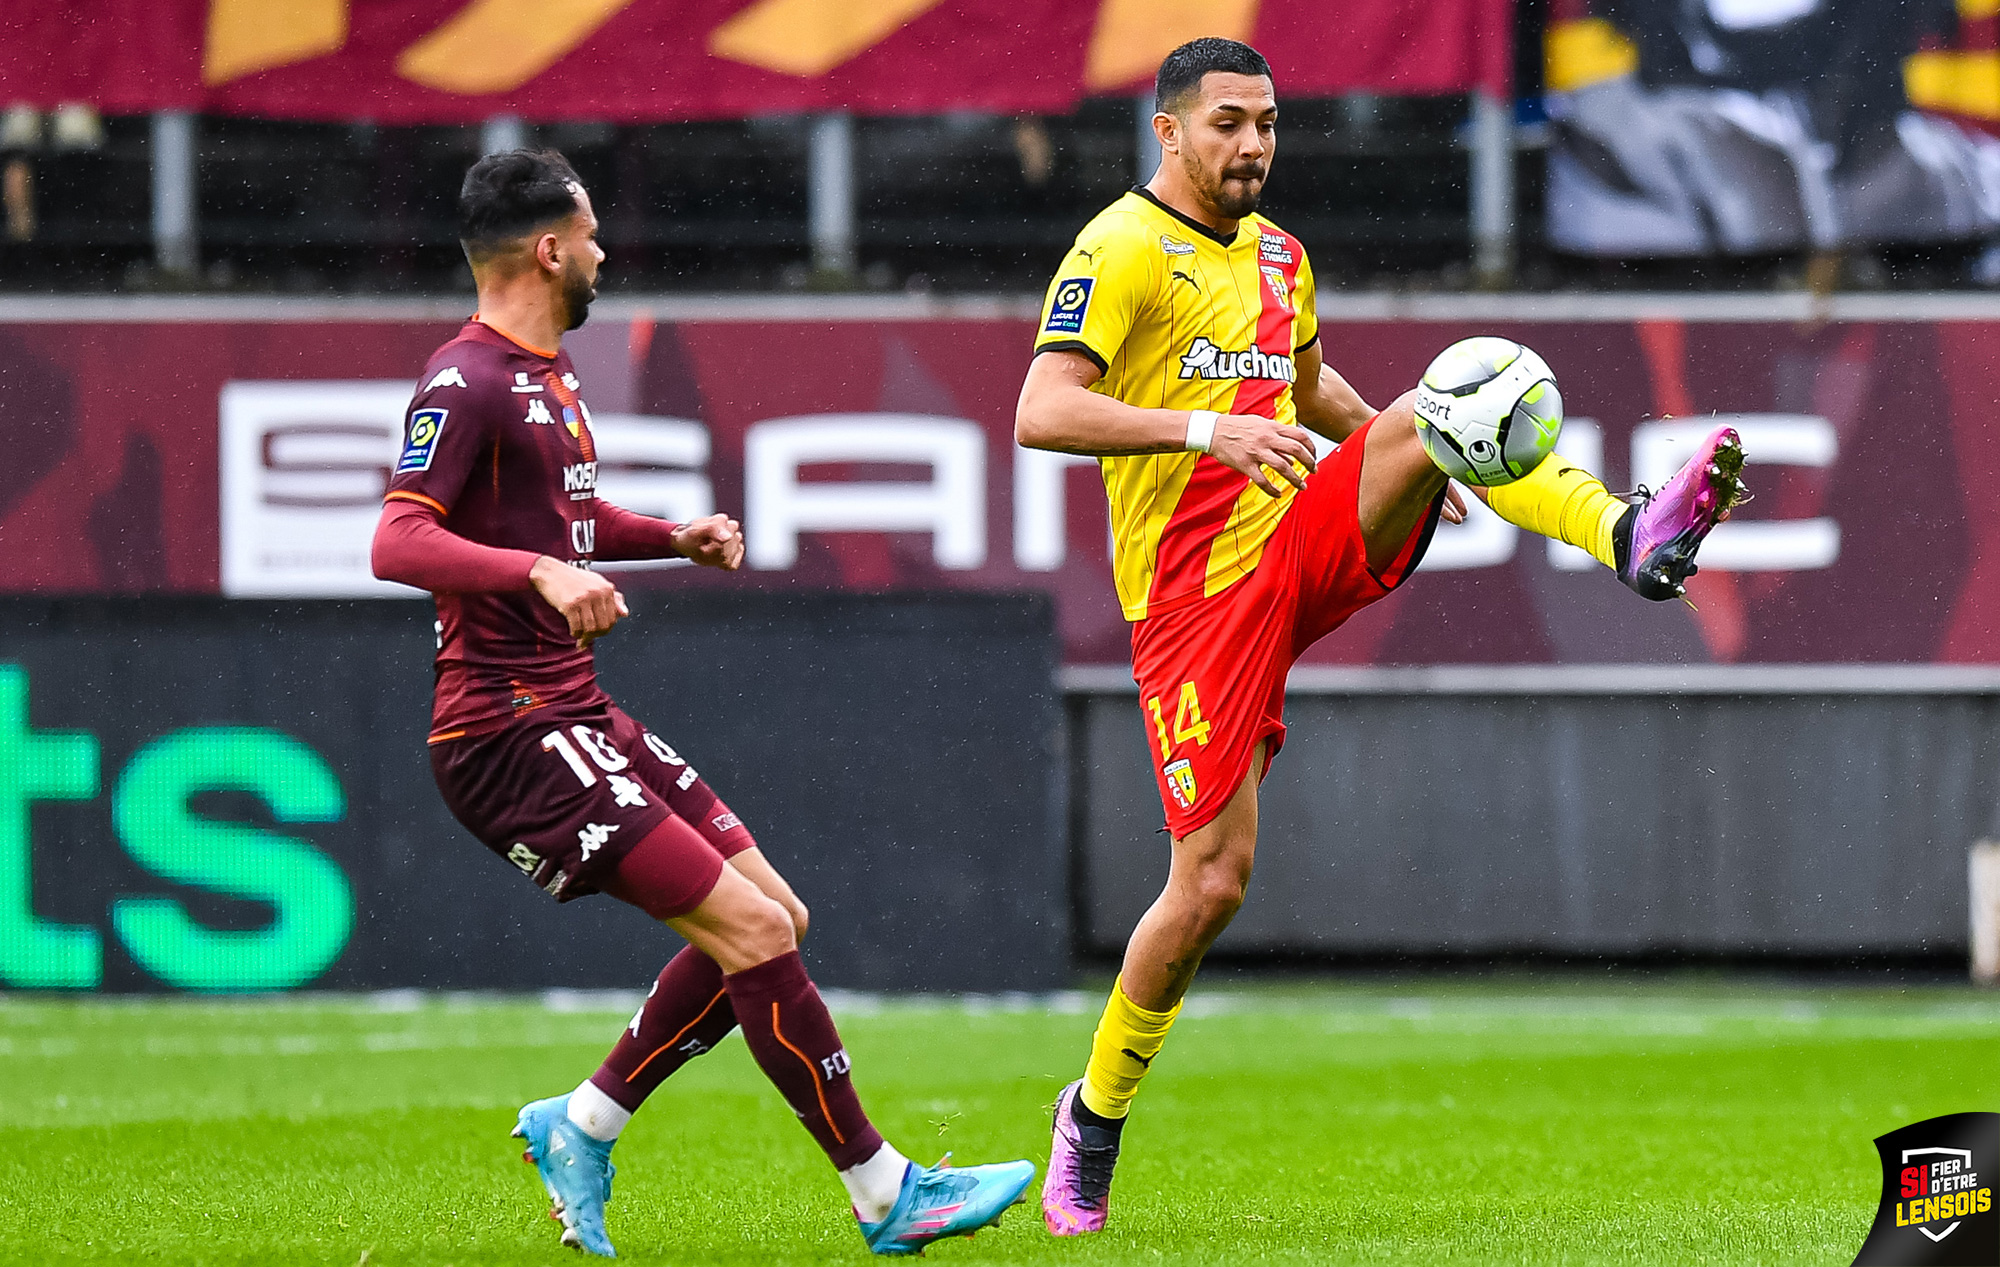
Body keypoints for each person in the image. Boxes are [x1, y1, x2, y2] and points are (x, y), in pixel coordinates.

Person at [1014, 38, 1744, 1236]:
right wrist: (1206, 434)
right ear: (1167, 131)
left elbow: (1307, 391)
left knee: (1454, 399)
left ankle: (1621, 530)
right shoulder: (1117, 246)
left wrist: (1399, 454)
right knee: (1209, 886)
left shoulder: (1281, 257)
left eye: (1266, 122)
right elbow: (1041, 409)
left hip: (1289, 538)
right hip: (1191, 605)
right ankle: (1090, 1115)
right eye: (1227, 123)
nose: (1251, 144)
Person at [371, 148, 1032, 1259]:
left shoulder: (546, 377)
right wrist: (538, 575)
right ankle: (884, 1191)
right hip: (507, 729)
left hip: (575, 710)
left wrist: (664, 536)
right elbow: (397, 536)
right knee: (754, 929)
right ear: (545, 249)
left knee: (777, 915)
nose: (600, 252)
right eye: (586, 236)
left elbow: (563, 524)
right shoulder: (466, 380)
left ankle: (580, 1123)